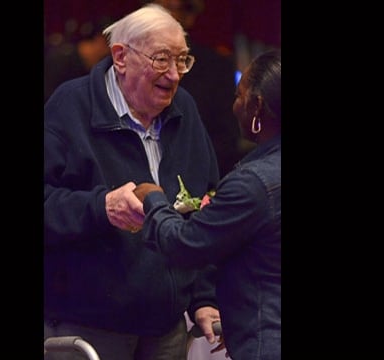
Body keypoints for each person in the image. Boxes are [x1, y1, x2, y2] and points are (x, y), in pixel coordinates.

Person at [44, 3, 221, 360]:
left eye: (182, 60)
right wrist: (101, 207)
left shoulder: (184, 109)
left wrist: (204, 297)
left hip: (166, 325)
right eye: (161, 59)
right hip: (90, 327)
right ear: (121, 57)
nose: (174, 75)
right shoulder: (70, 107)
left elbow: (207, 210)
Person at [133, 48, 282, 360]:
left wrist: (153, 200)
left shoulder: (254, 184)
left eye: (239, 96)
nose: (234, 105)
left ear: (256, 106)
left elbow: (186, 244)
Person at [146, 0, 247, 178]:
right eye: (159, 9)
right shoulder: (129, 62)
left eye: (172, 9)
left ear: (189, 17)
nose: (163, 19)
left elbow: (226, 139)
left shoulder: (216, 67)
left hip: (195, 180)